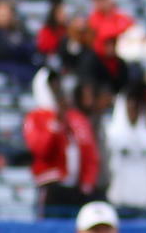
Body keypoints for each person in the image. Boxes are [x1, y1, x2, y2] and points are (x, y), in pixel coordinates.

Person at [26, 70, 101, 214]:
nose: (55, 90)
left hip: (76, 187)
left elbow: (89, 151)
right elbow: (41, 149)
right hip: (51, 185)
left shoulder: (76, 118)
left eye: (57, 85)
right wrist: (55, 123)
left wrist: (88, 181)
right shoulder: (35, 117)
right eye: (51, 85)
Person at [103, 83, 146, 214]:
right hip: (117, 202)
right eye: (130, 108)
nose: (133, 112)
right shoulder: (110, 134)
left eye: (136, 108)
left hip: (144, 204)